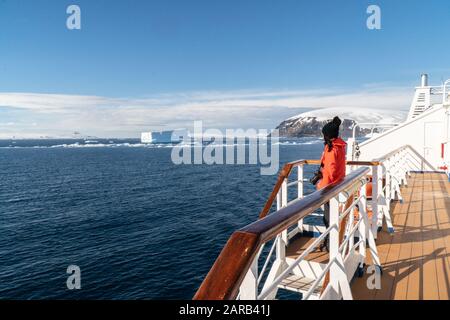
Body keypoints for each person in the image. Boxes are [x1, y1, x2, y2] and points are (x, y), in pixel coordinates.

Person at [316, 116, 347, 251]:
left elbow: (330, 170)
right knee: (330, 217)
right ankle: (330, 243)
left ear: (327, 135)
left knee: (328, 219)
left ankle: (330, 245)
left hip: (329, 188)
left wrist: (320, 186)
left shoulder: (331, 149)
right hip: (337, 184)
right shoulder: (339, 146)